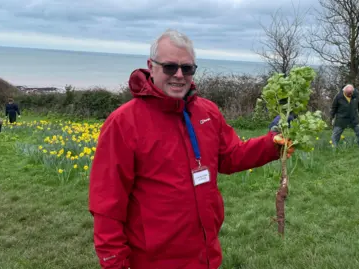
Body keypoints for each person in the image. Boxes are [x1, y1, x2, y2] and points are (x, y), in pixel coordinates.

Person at [88, 29, 295, 269]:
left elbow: (229, 156)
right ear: (151, 66)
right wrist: (114, 262)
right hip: (153, 261)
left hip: (205, 254)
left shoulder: (206, 112)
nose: (179, 75)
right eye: (169, 67)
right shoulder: (123, 122)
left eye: (187, 68)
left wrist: (272, 145)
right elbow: (107, 202)